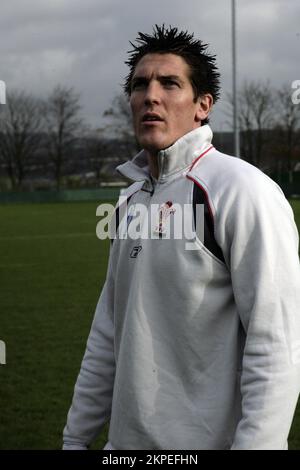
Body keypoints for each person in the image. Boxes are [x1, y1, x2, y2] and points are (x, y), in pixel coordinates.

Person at [63, 25, 300, 450]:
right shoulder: (131, 201)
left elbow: (277, 347)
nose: (150, 95)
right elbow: (107, 336)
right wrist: (75, 439)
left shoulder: (243, 191)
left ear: (202, 105)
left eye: (170, 83)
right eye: (140, 85)